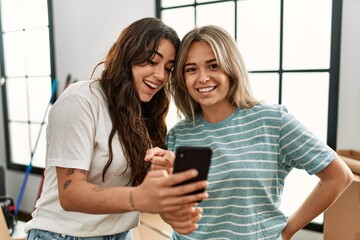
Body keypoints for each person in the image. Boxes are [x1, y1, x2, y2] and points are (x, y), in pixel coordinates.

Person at [157, 25, 354, 240]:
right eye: (191, 69)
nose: (203, 78)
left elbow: (338, 176)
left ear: (231, 67)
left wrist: (287, 231)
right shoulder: (179, 134)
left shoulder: (272, 122)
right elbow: (172, 211)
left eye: (213, 66)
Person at [25, 17, 208, 240]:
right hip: (62, 235)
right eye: (152, 61)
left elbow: (142, 192)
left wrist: (168, 185)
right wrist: (139, 197)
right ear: (127, 55)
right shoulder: (81, 99)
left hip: (120, 234)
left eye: (168, 68)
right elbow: (70, 193)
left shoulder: (145, 112)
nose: (161, 76)